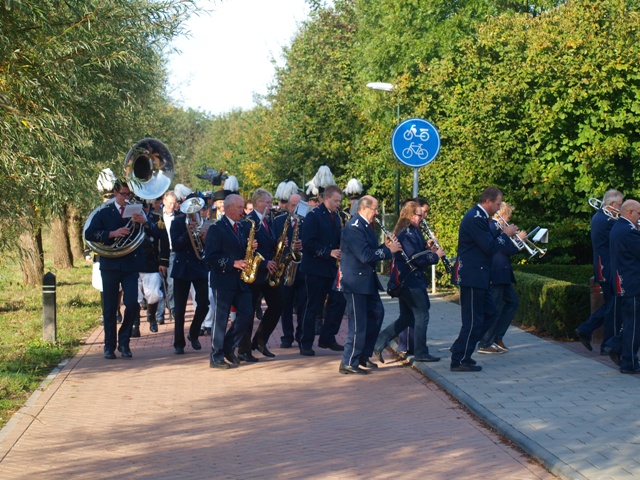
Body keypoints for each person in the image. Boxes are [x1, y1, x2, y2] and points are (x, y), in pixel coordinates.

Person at [85, 180, 159, 359]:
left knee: (133, 304)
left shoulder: (137, 211)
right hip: (110, 264)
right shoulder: (103, 212)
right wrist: (111, 234)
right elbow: (89, 234)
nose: (126, 198)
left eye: (129, 195)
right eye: (123, 194)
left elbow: (156, 234)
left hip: (130, 264)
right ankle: (109, 346)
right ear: (115, 193)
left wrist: (146, 222)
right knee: (110, 307)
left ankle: (124, 342)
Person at [450, 186, 517, 372]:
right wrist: (506, 235)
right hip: (472, 276)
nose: (498, 208)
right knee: (472, 321)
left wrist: (500, 233)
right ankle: (459, 358)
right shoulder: (475, 218)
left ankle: (462, 350)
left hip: (479, 276)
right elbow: (489, 247)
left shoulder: (480, 218)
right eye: (496, 204)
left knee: (491, 313)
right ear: (487, 201)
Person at [337, 195, 401, 374]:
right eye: (375, 209)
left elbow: (372, 250)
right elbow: (365, 256)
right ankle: (349, 361)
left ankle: (363, 355)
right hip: (355, 282)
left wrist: (384, 245)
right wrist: (388, 251)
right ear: (365, 208)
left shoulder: (366, 226)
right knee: (358, 323)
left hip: (367, 281)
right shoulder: (354, 227)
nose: (378, 212)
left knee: (377, 313)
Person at [373, 201, 443, 364]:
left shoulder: (412, 231)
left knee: (407, 317)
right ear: (411, 216)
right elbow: (414, 259)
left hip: (408, 279)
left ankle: (379, 343)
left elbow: (416, 252)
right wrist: (435, 256)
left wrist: (427, 247)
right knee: (422, 314)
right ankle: (420, 352)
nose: (422, 217)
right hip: (410, 280)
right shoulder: (408, 233)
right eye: (419, 215)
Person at [204, 194, 256, 369]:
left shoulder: (242, 227)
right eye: (239, 207)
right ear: (228, 208)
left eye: (243, 207)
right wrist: (233, 263)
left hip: (240, 280)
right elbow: (210, 257)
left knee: (247, 314)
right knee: (221, 318)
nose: (243, 211)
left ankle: (227, 346)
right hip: (223, 280)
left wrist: (250, 247)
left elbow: (241, 249)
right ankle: (216, 355)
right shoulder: (216, 228)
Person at [297, 184, 346, 356]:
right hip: (315, 268)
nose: (338, 204)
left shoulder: (337, 216)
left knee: (339, 301)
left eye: (339, 201)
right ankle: (305, 341)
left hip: (331, 268)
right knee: (313, 305)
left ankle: (327, 337)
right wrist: (328, 252)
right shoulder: (313, 216)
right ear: (325, 199)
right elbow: (308, 242)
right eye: (335, 200)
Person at [237, 188, 284, 361]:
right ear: (258, 203)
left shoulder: (268, 221)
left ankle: (260, 341)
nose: (270, 206)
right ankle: (244, 349)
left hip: (269, 273)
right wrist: (264, 263)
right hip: (255, 273)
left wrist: (279, 244)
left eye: (271, 203)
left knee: (278, 304)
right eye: (267, 202)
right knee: (248, 311)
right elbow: (246, 249)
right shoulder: (248, 222)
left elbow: (268, 244)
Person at [576, 189, 623, 354]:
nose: (621, 207)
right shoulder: (607, 220)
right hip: (607, 268)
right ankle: (605, 343)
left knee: (612, 305)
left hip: (604, 267)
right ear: (611, 204)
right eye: (620, 204)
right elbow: (620, 238)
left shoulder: (601, 216)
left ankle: (588, 330)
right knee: (613, 306)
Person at [476, 202, 522, 354]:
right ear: (501, 214)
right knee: (494, 308)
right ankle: (485, 342)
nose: (509, 218)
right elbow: (504, 248)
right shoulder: (493, 226)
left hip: (503, 274)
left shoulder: (498, 228)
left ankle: (497, 336)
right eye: (508, 215)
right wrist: (517, 238)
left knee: (512, 302)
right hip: (495, 273)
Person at [169, 193, 210, 354]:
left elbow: (208, 248)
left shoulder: (205, 223)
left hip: (199, 267)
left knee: (204, 304)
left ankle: (193, 334)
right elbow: (176, 245)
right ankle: (179, 343)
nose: (194, 210)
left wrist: (205, 237)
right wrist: (189, 232)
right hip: (182, 268)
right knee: (179, 310)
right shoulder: (177, 222)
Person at [607, 200, 640, 373]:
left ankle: (616, 344)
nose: (639, 218)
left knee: (631, 323)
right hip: (632, 283)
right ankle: (629, 362)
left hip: (625, 282)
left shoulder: (620, 227)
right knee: (634, 325)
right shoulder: (627, 231)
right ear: (630, 213)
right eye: (639, 214)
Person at [134, 199, 170, 337]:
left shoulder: (157, 219)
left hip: (151, 262)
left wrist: (164, 262)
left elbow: (164, 240)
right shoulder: (126, 219)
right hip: (133, 262)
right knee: (134, 296)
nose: (144, 208)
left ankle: (151, 316)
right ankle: (135, 324)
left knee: (154, 293)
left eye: (146, 206)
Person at [273, 191, 303, 348]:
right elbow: (271, 242)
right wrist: (279, 243)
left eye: (298, 205)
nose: (295, 208)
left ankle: (301, 334)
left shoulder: (307, 221)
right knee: (286, 304)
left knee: (303, 304)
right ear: (287, 206)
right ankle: (287, 336)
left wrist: (303, 245)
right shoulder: (278, 221)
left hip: (302, 267)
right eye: (292, 205)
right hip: (286, 266)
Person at [162, 191, 178, 321]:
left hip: (173, 251)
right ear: (164, 201)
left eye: (174, 203)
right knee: (159, 283)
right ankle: (159, 313)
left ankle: (172, 308)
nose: (172, 205)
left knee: (171, 282)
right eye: (170, 202)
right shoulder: (156, 215)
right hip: (159, 252)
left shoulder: (179, 216)